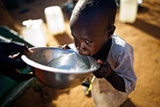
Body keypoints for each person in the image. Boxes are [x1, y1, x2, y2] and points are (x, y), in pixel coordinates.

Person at [63, 0, 137, 106]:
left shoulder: (121, 52)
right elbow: (76, 45)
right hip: (95, 90)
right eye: (75, 37)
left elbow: (129, 85)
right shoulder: (84, 42)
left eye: (88, 41)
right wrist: (68, 50)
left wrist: (110, 74)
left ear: (109, 32)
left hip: (113, 98)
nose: (79, 47)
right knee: (94, 93)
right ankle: (87, 86)